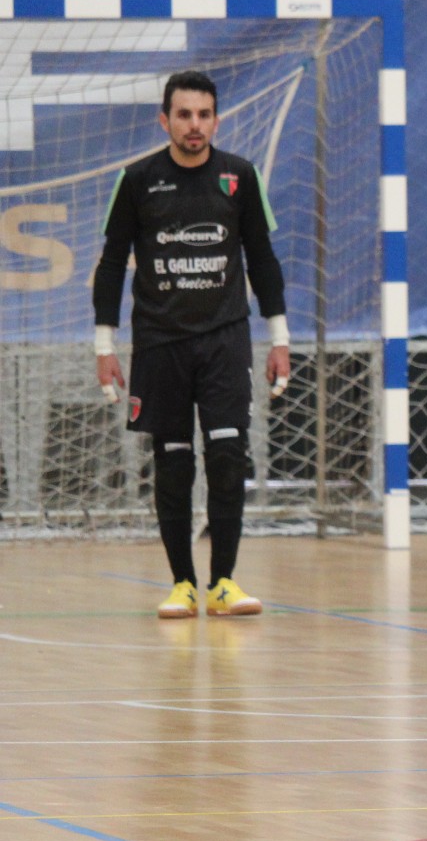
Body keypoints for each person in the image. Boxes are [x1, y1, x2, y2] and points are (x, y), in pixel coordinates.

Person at [94, 70, 290, 619]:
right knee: (174, 463)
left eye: (204, 115)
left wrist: (279, 338)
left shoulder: (239, 176)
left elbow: (264, 262)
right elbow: (110, 267)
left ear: (216, 120)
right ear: (165, 120)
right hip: (160, 344)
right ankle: (182, 582)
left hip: (226, 340)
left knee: (228, 457)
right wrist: (103, 348)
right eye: (184, 115)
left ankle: (223, 582)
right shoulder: (136, 180)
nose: (194, 125)